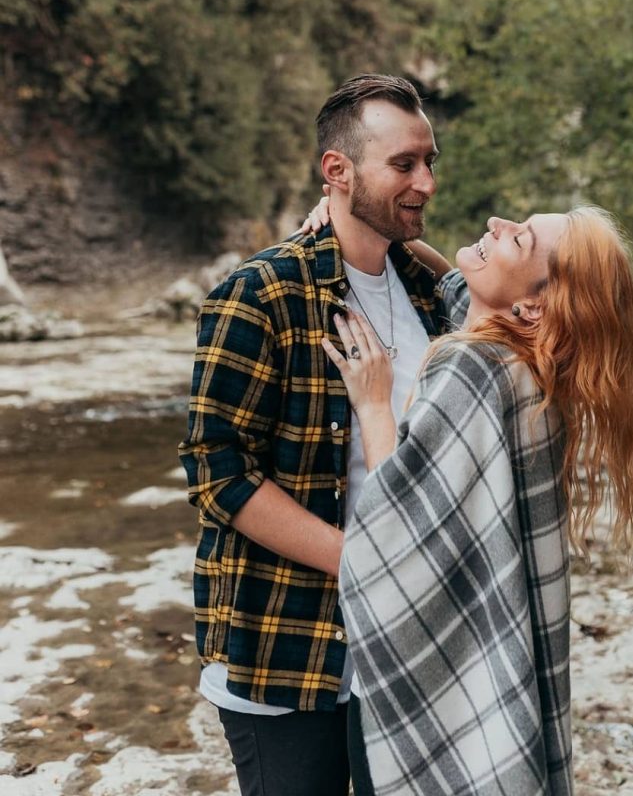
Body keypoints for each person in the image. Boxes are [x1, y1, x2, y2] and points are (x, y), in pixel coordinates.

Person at [178, 74, 457, 796]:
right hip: (285, 648)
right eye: (403, 164)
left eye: (429, 162)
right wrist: (364, 563)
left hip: (405, 648)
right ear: (337, 170)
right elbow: (217, 472)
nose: (426, 181)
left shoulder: (430, 297)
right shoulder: (260, 293)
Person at [322, 207, 633, 796]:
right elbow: (464, 291)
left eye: (518, 238)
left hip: (440, 694)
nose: (498, 222)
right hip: (493, 690)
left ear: (533, 307)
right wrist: (373, 228)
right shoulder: (530, 368)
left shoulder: (470, 369)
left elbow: (398, 523)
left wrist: (373, 402)